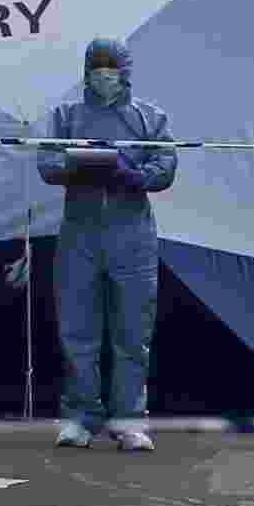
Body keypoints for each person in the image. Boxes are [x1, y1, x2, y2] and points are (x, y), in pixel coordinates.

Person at [38, 38, 178, 451]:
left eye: (111, 68)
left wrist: (130, 174)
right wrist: (78, 167)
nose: (104, 76)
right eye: (96, 69)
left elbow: (165, 167)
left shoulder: (149, 118)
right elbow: (46, 163)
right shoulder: (66, 116)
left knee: (132, 333)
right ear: (85, 72)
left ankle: (130, 421)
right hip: (79, 234)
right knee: (78, 330)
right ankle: (80, 418)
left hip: (131, 237)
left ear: (125, 71)